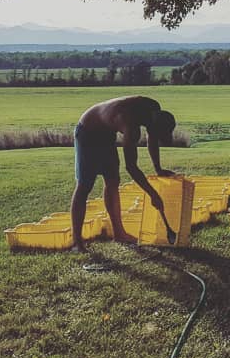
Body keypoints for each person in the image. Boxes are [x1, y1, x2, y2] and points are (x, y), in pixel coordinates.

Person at [71, 96, 178, 252]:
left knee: (113, 180)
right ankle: (77, 243)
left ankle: (119, 233)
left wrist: (158, 168)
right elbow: (131, 167)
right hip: (88, 130)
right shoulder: (130, 124)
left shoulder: (154, 108)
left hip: (107, 133)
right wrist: (153, 194)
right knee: (85, 185)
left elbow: (152, 138)